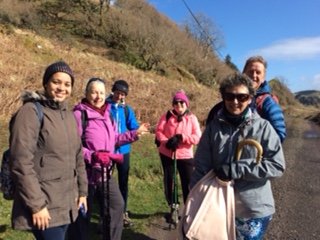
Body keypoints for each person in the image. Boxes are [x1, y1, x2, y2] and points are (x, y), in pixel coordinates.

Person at [191, 73, 285, 239]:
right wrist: (193, 197)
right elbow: (201, 166)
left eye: (242, 97)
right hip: (217, 204)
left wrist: (237, 168)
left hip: (252, 209)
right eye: (230, 96)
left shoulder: (264, 128)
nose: (235, 102)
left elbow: (277, 166)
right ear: (223, 97)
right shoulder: (213, 128)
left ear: (250, 99)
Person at [9, 61, 88, 240]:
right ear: (46, 83)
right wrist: (36, 205)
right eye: (56, 82)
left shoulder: (68, 115)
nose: (62, 88)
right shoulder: (30, 112)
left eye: (67, 84)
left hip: (69, 203)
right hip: (45, 206)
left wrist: (82, 193)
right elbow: (20, 162)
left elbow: (78, 157)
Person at [72, 78, 149, 240]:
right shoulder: (80, 114)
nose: (98, 96)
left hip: (105, 173)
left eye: (101, 92)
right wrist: (92, 155)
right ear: (86, 93)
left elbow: (114, 138)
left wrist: (134, 134)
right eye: (94, 92)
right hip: (86, 174)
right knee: (83, 214)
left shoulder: (107, 113)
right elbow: (73, 146)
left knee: (117, 206)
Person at [206, 56, 286, 142]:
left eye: (258, 72)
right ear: (243, 74)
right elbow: (208, 135)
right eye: (251, 71)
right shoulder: (218, 108)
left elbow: (279, 133)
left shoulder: (268, 103)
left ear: (263, 78)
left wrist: (250, 146)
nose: (254, 75)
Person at [155, 90, 201, 218]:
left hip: (185, 156)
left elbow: (197, 137)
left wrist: (181, 137)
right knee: (169, 181)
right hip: (167, 154)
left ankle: (189, 209)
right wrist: (167, 142)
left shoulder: (192, 118)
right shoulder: (166, 116)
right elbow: (159, 131)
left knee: (188, 183)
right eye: (176, 103)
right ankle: (173, 206)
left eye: (182, 102)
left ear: (186, 104)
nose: (179, 105)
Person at [105, 79, 140, 227]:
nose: (120, 96)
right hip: (109, 151)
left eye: (123, 94)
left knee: (123, 182)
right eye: (118, 93)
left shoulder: (127, 110)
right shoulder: (105, 107)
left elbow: (134, 126)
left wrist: (137, 130)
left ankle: (123, 212)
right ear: (113, 91)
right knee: (105, 183)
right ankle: (105, 214)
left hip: (124, 151)